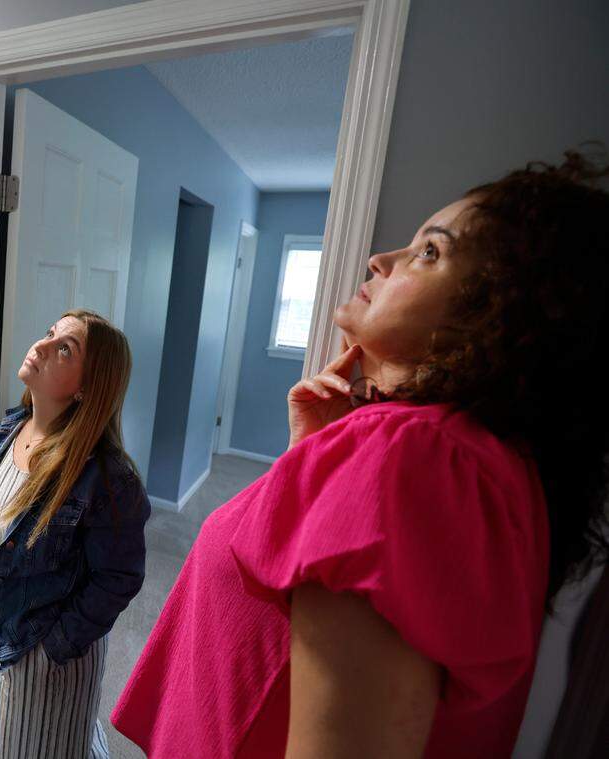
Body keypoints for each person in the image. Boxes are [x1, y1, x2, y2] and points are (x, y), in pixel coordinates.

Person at [112, 148, 609, 757]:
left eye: (431, 252)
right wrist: (314, 460)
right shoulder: (474, 459)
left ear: (501, 317)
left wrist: (357, 468)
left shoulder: (414, 456)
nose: (383, 258)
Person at [0, 309, 151, 759]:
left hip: (55, 657)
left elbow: (120, 577)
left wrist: (55, 646)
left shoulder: (106, 477)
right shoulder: (11, 430)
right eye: (50, 334)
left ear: (86, 388)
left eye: (64, 349)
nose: (41, 346)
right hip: (12, 639)